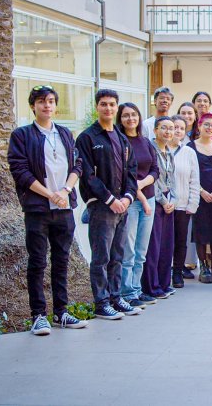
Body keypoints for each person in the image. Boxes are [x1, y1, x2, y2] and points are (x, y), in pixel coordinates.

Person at [9, 85, 88, 335]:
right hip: (38, 208)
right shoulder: (22, 135)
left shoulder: (65, 134)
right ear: (33, 106)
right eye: (42, 101)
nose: (47, 105)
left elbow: (78, 164)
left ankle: (62, 312)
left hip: (64, 207)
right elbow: (20, 171)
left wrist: (65, 191)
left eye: (51, 101)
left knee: (62, 261)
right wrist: (49, 194)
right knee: (38, 262)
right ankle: (38, 315)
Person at [75, 89, 140, 319]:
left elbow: (132, 172)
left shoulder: (122, 138)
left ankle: (115, 297)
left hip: (123, 207)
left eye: (112, 104)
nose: (108, 108)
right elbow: (87, 176)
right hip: (102, 207)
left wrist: (127, 198)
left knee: (118, 256)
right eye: (104, 104)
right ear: (97, 107)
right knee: (101, 257)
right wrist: (110, 199)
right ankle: (101, 302)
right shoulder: (87, 138)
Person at [117, 103, 159, 308]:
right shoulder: (120, 142)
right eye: (125, 115)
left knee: (141, 250)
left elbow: (155, 169)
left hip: (148, 198)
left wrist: (143, 184)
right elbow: (125, 174)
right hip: (131, 201)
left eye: (133, 115)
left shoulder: (145, 142)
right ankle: (127, 292)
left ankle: (137, 289)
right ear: (120, 119)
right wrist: (139, 193)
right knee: (129, 250)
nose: (130, 119)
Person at [142, 117, 177, 300]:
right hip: (155, 202)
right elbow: (152, 178)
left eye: (171, 129)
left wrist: (174, 199)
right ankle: (151, 286)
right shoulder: (151, 149)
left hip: (169, 204)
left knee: (166, 245)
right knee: (153, 247)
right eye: (164, 128)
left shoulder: (169, 152)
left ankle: (164, 283)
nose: (168, 132)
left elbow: (172, 179)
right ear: (155, 130)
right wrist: (163, 201)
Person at [191, 113, 212, 284]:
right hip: (199, 196)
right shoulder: (191, 147)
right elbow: (190, 174)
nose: (210, 128)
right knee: (201, 231)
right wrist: (201, 191)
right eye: (206, 125)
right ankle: (204, 266)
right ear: (199, 126)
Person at [168, 116, 201, 289]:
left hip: (182, 205)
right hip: (163, 206)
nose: (178, 131)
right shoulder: (159, 150)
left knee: (181, 241)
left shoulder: (189, 152)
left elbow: (194, 180)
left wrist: (192, 204)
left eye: (181, 128)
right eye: (174, 128)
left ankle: (177, 273)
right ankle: (163, 273)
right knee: (165, 241)